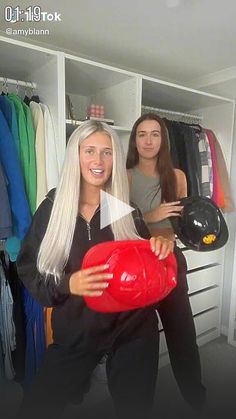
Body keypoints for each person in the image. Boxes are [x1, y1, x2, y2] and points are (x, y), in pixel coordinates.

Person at [16, 120, 174, 419]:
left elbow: (148, 269)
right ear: (75, 156)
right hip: (77, 329)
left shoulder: (125, 209)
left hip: (133, 329)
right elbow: (28, 269)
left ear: (115, 158)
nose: (98, 161)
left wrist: (161, 248)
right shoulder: (52, 207)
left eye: (106, 152)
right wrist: (67, 285)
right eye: (89, 151)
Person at [126, 113, 206, 410]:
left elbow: (182, 227)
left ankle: (196, 396)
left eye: (155, 134)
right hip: (138, 266)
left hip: (170, 260)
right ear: (134, 140)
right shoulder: (126, 176)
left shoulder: (179, 177)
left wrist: (184, 232)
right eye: (142, 134)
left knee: (182, 333)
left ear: (163, 139)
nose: (148, 140)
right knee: (141, 341)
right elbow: (120, 227)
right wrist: (152, 216)